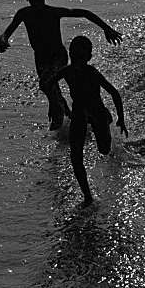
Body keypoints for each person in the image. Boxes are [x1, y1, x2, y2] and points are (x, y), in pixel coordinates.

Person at [0, 0, 123, 130]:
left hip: (58, 57)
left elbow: (84, 13)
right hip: (41, 60)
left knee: (47, 83)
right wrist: (3, 41)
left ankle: (70, 114)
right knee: (49, 89)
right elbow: (7, 32)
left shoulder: (53, 12)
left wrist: (106, 28)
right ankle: (66, 117)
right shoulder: (24, 13)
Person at [42, 36, 127, 205]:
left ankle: (105, 131)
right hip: (79, 114)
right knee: (76, 157)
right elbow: (47, 85)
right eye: (75, 56)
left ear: (88, 58)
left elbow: (114, 93)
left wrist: (121, 119)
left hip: (98, 113)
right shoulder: (66, 71)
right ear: (70, 55)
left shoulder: (92, 73)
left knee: (104, 150)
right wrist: (57, 104)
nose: (78, 62)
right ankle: (87, 196)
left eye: (81, 57)